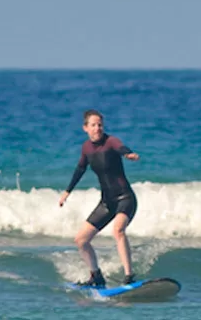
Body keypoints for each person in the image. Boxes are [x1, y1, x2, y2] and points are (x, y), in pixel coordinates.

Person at [58, 109, 140, 288]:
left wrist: (128, 154)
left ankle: (129, 276)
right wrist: (67, 192)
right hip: (107, 202)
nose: (98, 128)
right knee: (81, 240)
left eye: (100, 125)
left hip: (125, 198)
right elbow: (80, 169)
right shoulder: (86, 148)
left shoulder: (111, 141)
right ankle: (96, 276)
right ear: (85, 128)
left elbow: (120, 147)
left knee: (118, 230)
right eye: (93, 125)